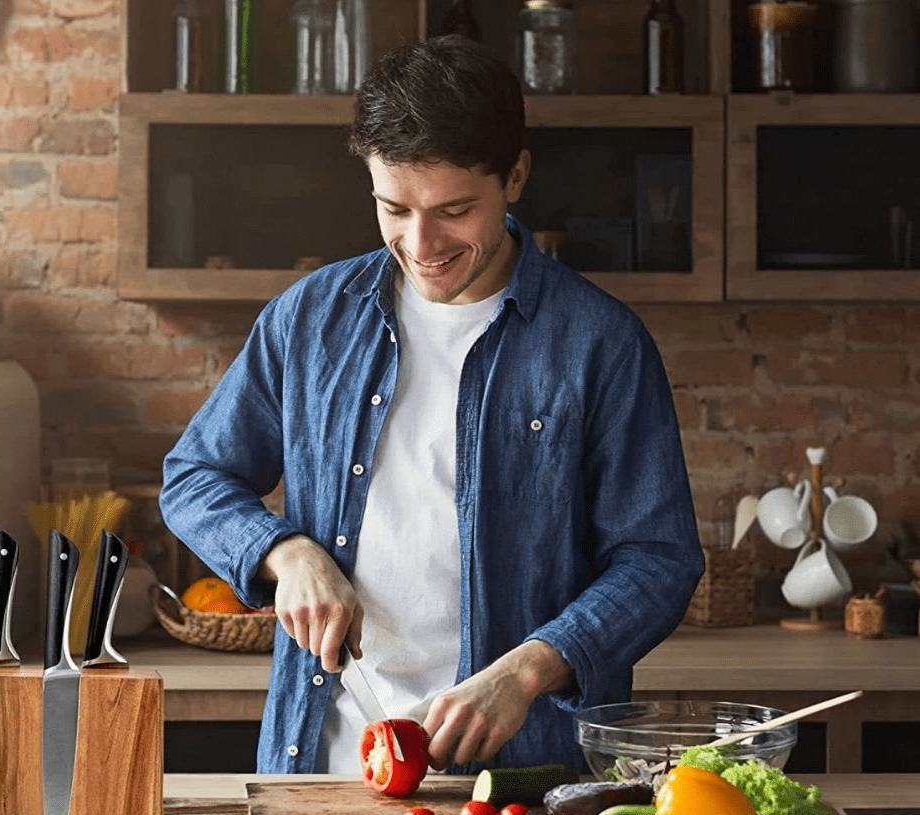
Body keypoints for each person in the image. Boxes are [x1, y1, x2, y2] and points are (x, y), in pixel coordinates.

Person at [159, 35, 704, 776]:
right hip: (324, 767)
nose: (421, 244)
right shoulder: (309, 318)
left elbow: (658, 560)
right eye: (394, 208)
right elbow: (195, 477)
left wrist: (527, 671)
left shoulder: (601, 343)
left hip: (520, 776)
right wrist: (284, 553)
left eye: (453, 211)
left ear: (515, 175)